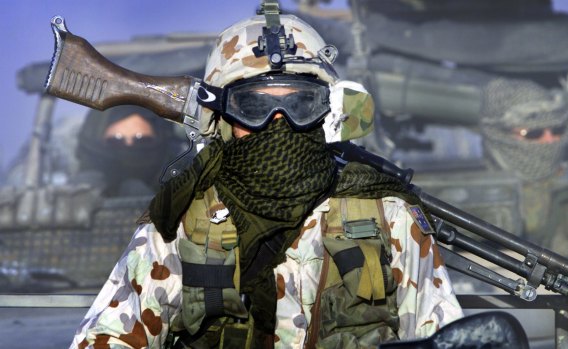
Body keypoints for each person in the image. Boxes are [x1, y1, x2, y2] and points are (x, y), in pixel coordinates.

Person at [70, 9, 462, 349]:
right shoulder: (182, 223)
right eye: (255, 106)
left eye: (300, 104)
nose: (279, 122)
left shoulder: (386, 216)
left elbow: (441, 332)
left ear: (329, 114)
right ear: (220, 118)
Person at [479, 78, 568, 267]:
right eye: (533, 133)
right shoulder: (474, 196)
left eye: (557, 130)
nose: (549, 140)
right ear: (499, 134)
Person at [73, 105, 184, 197]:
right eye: (115, 140)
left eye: (142, 140)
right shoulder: (79, 196)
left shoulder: (183, 192)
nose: (130, 147)